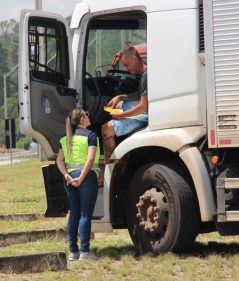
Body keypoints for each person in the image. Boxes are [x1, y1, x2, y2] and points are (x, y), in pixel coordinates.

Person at [56, 108, 100, 261]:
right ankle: (85, 252)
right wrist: (81, 178)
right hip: (86, 178)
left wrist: (66, 175)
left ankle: (73, 252)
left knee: (74, 213)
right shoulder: (91, 135)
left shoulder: (65, 138)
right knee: (85, 214)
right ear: (82, 119)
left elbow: (59, 160)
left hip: (69, 178)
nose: (89, 116)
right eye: (87, 114)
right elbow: (90, 160)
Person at [100, 46, 148, 185]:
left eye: (126, 65)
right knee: (114, 106)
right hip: (145, 109)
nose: (126, 69)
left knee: (106, 128)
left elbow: (144, 106)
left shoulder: (146, 76)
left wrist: (122, 115)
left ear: (134, 58)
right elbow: (142, 95)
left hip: (146, 114)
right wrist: (121, 97)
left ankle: (109, 171)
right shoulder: (145, 73)